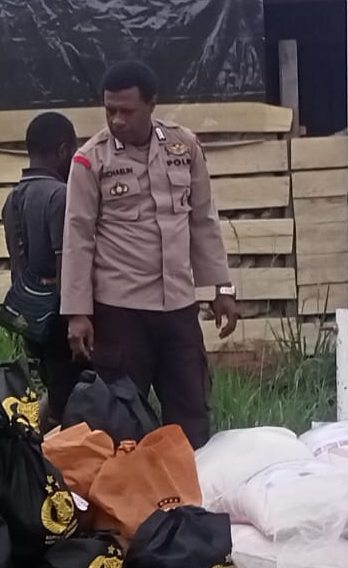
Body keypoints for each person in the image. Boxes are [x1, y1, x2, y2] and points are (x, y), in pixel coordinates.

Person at [61, 60, 238, 448]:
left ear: (152, 104)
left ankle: (192, 501)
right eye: (110, 110)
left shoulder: (183, 147)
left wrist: (222, 287)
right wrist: (78, 312)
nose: (117, 119)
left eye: (127, 110)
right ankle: (128, 503)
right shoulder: (91, 159)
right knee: (121, 419)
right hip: (121, 311)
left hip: (177, 307)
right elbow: (78, 236)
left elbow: (203, 219)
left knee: (190, 414)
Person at [1, 112, 79, 431]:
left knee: (56, 390)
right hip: (59, 317)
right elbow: (67, 264)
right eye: (72, 151)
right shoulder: (59, 195)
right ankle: (37, 454)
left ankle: (22, 438)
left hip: (29, 315)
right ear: (62, 150)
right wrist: (76, 316)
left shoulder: (13, 198)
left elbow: (16, 263)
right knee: (70, 399)